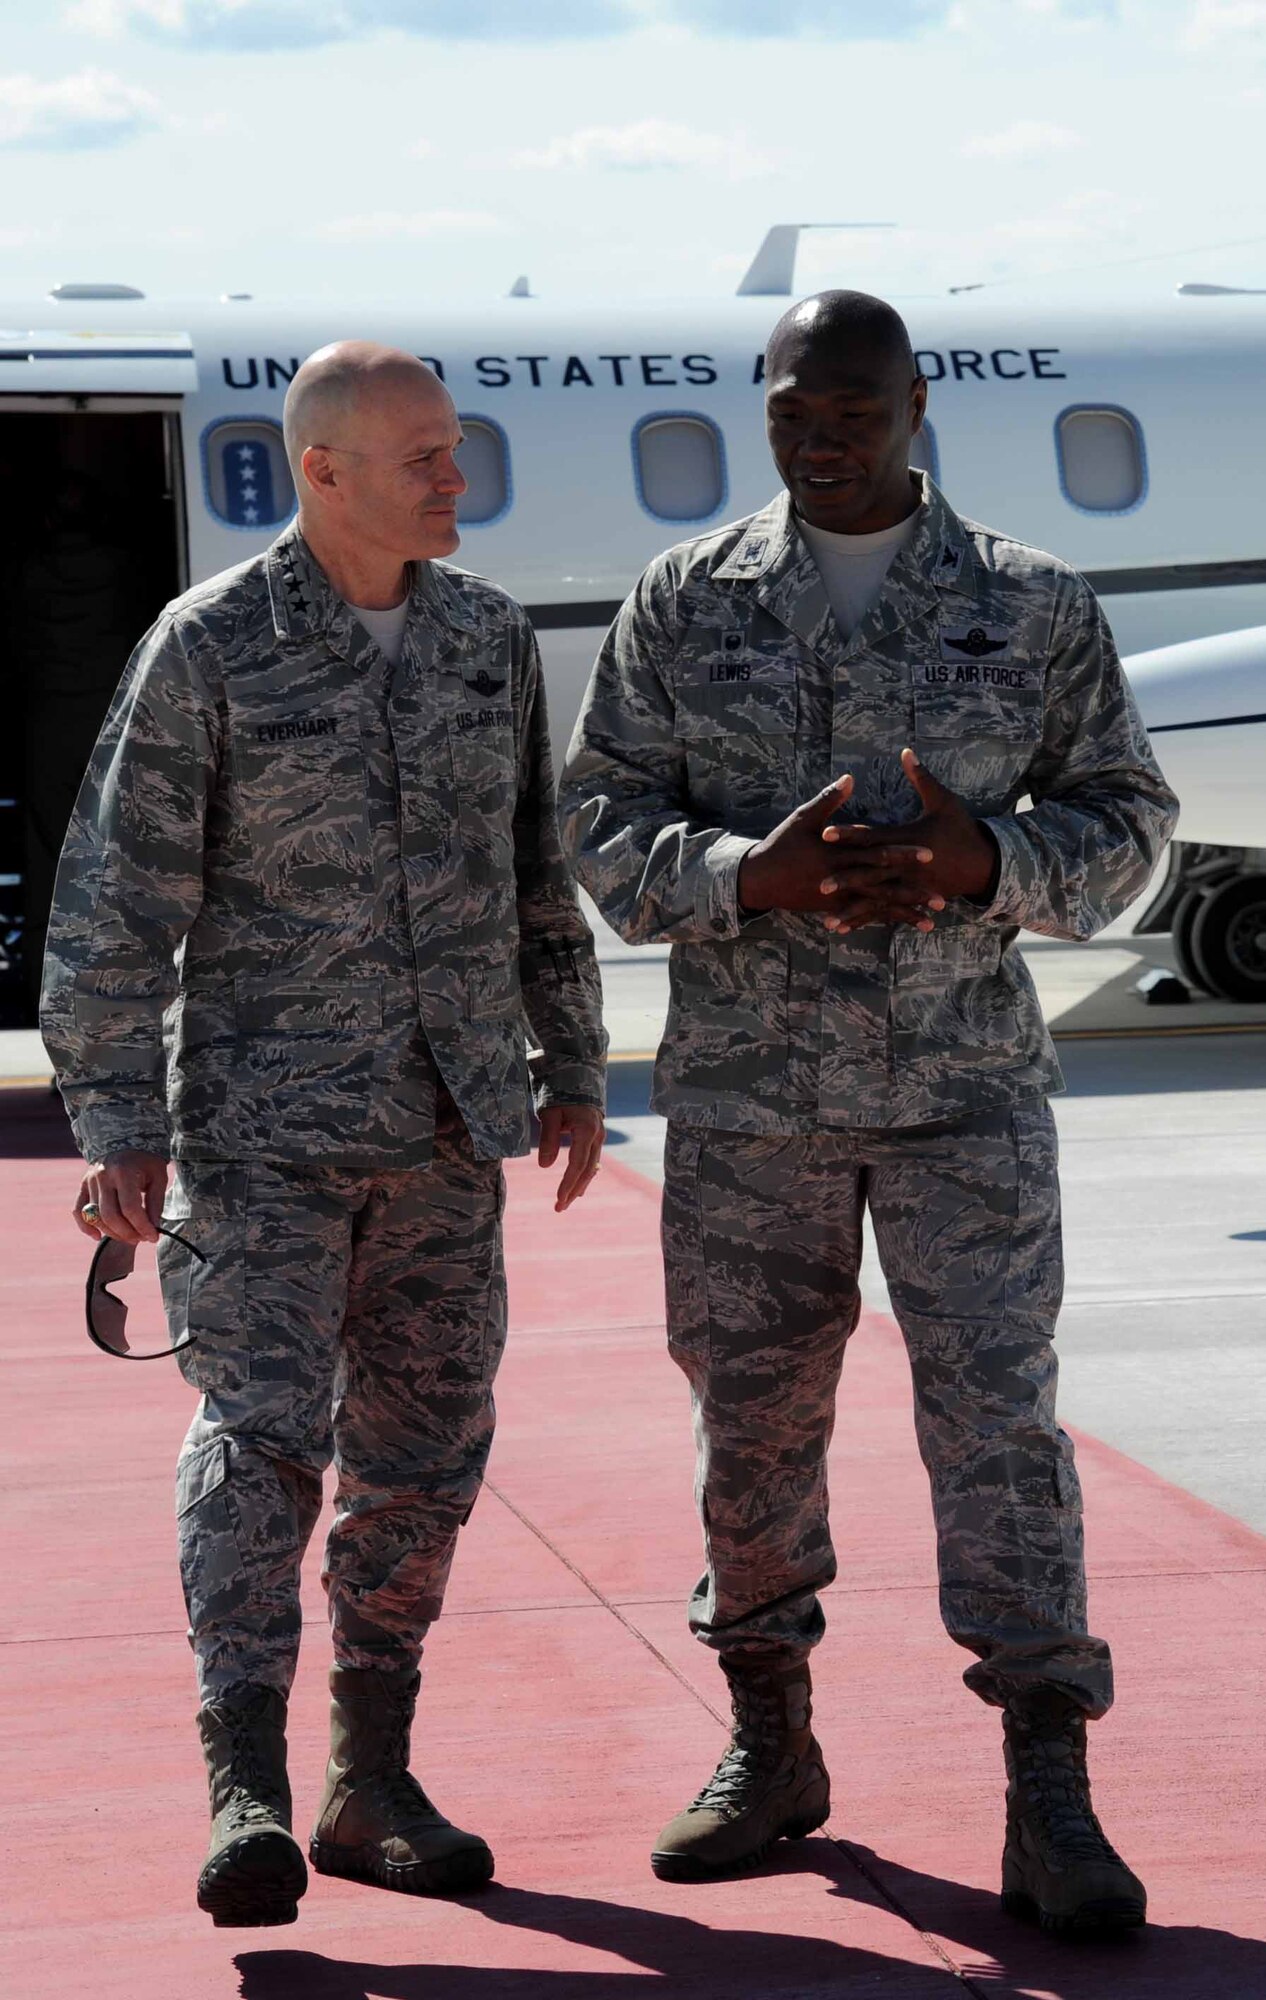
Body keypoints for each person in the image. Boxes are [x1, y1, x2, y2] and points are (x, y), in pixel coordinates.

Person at [561, 291, 1177, 1936]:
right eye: (788, 410)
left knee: (996, 1430)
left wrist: (998, 861)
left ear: (914, 403)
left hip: (964, 1096)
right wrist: (739, 872)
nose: (819, 434)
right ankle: (770, 1746)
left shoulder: (1031, 605)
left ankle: (1049, 1788)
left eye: (849, 406)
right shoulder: (683, 605)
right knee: (750, 1432)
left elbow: (1130, 823)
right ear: (763, 411)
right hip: (752, 1102)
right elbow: (599, 818)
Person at [42, 343, 606, 1928]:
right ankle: (246, 1788)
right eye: (420, 453)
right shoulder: (209, 645)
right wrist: (117, 1124)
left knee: (423, 1461)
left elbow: (528, 872)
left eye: (454, 448)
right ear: (322, 469)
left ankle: (373, 1778)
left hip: (444, 1129)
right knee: (261, 1448)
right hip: (263, 1134)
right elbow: (113, 902)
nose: (453, 475)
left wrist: (571, 1056)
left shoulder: (488, 638)